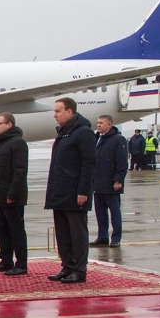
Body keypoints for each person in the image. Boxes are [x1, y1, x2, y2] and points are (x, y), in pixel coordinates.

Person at [45, 97, 96, 283]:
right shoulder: (64, 133)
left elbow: (88, 163)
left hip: (75, 193)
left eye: (58, 111)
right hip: (60, 192)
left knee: (77, 233)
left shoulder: (83, 133)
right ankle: (67, 266)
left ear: (69, 111)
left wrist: (83, 190)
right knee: (63, 233)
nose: (55, 115)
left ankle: (79, 270)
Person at [0, 112, 28, 275]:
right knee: (2, 230)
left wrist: (12, 194)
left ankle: (21, 264)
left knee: (16, 231)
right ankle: (6, 260)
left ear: (9, 124)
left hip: (11, 197)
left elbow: (20, 172)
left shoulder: (17, 143)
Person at [91, 115, 129, 247]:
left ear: (109, 125)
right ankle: (102, 237)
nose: (98, 125)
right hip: (97, 182)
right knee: (100, 212)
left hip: (111, 183)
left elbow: (122, 161)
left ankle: (116, 237)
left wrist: (118, 180)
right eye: (97, 123)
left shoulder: (118, 139)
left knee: (114, 212)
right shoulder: (97, 139)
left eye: (101, 123)